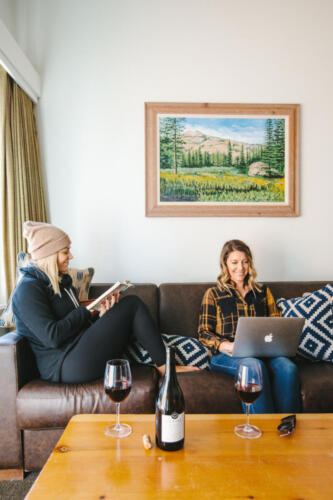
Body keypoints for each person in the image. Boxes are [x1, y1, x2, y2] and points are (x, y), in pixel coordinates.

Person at [12, 221, 197, 384]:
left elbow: (72, 325)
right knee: (132, 304)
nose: (71, 257)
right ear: (49, 255)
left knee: (124, 306)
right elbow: (52, 336)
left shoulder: (60, 283)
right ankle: (165, 367)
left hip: (76, 350)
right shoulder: (27, 290)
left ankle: (158, 361)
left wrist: (100, 316)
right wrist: (86, 312)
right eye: (65, 252)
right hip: (65, 364)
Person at [198, 239, 301, 413]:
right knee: (253, 366)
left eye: (245, 262)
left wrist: (277, 344)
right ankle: (263, 429)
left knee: (288, 368)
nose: (241, 267)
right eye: (234, 262)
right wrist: (225, 345)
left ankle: (287, 425)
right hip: (227, 356)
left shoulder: (262, 292)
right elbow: (203, 333)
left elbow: (277, 324)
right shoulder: (214, 294)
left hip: (264, 353)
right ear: (225, 264)